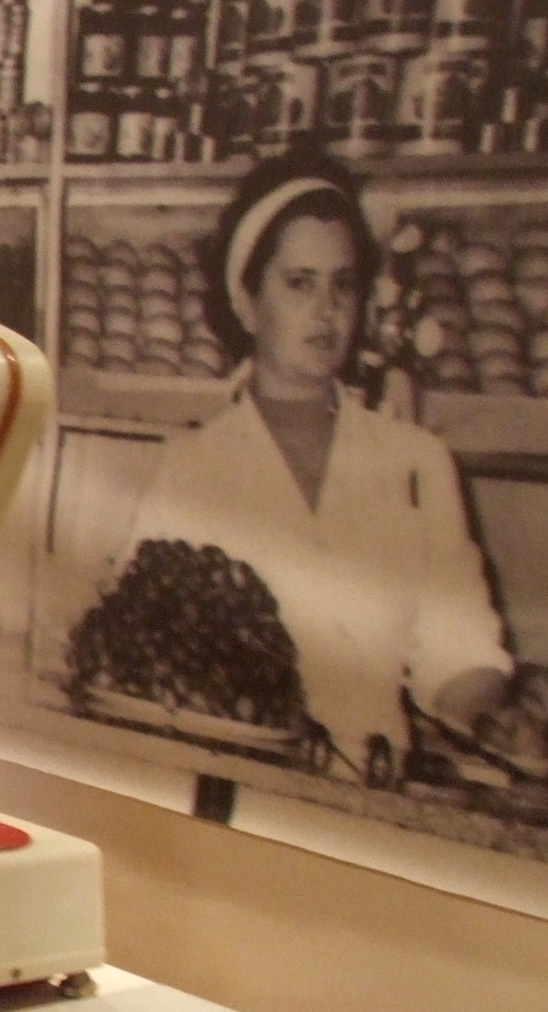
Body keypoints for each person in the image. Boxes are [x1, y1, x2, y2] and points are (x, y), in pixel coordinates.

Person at [115, 150, 513, 783]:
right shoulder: (189, 468)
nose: (327, 309)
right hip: (234, 792)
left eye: (343, 283)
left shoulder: (417, 462)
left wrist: (499, 725)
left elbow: (459, 652)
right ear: (248, 303)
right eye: (299, 283)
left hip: (376, 798)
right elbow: (142, 651)